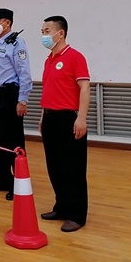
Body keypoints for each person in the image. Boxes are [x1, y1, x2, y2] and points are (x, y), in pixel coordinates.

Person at [39, 15, 90, 233]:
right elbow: (49, 89)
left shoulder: (75, 57)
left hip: (69, 118)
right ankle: (61, 207)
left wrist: (82, 118)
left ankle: (77, 215)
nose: (44, 35)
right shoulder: (49, 59)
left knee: (73, 168)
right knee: (55, 167)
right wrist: (43, 116)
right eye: (42, 32)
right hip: (50, 117)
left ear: (60, 33)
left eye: (47, 31)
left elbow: (85, 88)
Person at [0, 8, 32, 201]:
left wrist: (22, 100)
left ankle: (18, 184)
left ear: (7, 23)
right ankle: (2, 178)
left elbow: (24, 73)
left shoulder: (17, 43)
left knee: (13, 142)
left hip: (9, 97)